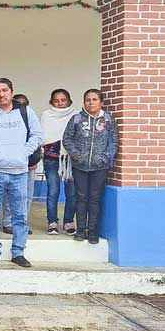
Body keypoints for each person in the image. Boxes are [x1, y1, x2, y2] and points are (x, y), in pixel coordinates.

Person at [0, 77, 43, 268]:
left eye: (5, 90)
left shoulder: (26, 112)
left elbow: (37, 135)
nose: (1, 94)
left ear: (11, 92)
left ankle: (18, 252)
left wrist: (25, 152)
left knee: (20, 215)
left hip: (19, 172)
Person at [63, 89, 118, 244]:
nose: (91, 102)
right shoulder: (77, 118)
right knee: (81, 198)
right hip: (80, 166)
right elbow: (67, 139)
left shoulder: (108, 120)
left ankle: (93, 232)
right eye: (88, 99)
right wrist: (77, 155)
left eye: (94, 99)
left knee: (95, 199)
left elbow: (113, 141)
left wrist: (104, 158)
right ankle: (81, 230)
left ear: (101, 102)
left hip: (100, 167)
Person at [41, 88, 79, 235]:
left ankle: (69, 222)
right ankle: (52, 222)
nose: (60, 103)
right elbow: (43, 137)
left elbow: (79, 136)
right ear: (51, 102)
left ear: (69, 101)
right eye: (56, 101)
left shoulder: (76, 116)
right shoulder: (46, 115)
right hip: (51, 158)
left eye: (63, 100)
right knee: (53, 191)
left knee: (72, 192)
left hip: (71, 159)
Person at [11, 93, 39, 237]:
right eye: (18, 103)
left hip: (29, 164)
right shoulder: (8, 118)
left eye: (24, 104)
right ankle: (8, 222)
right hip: (11, 163)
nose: (21, 106)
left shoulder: (31, 118)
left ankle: (23, 222)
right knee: (10, 196)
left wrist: (32, 160)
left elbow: (37, 139)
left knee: (26, 195)